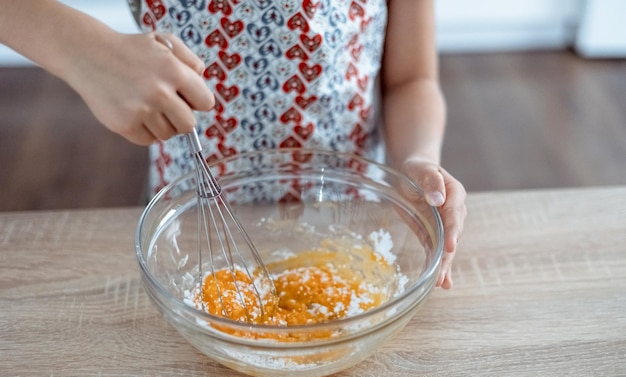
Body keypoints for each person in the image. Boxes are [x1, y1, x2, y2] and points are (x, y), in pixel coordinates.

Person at [0, 0, 466, 289]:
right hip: (190, 227)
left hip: (354, 222)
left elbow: (411, 78)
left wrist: (418, 160)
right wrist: (82, 49)